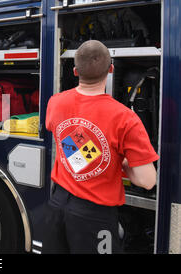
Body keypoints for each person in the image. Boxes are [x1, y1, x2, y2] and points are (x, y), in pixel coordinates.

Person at [43, 40, 159, 254]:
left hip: (57, 205)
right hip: (94, 215)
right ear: (111, 69)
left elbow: (61, 134)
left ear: (75, 71)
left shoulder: (56, 102)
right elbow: (147, 180)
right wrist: (122, 160)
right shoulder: (126, 118)